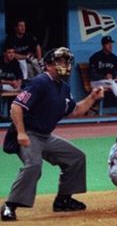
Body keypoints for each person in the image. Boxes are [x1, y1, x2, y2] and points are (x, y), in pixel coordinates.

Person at [1, 48, 104, 222]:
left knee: (76, 157)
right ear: (48, 65)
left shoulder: (63, 87)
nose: (66, 65)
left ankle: (63, 200)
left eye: (67, 61)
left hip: (44, 136)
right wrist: (21, 133)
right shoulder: (41, 81)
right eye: (61, 61)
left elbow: (75, 110)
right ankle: (9, 206)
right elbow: (16, 107)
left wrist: (92, 97)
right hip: (29, 133)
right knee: (34, 164)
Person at [88, 36, 117, 115]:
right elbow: (92, 74)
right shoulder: (95, 57)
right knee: (112, 83)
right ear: (103, 45)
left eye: (111, 44)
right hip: (96, 82)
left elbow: (116, 71)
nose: (110, 46)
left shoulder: (113, 57)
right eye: (108, 44)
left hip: (108, 81)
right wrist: (104, 77)